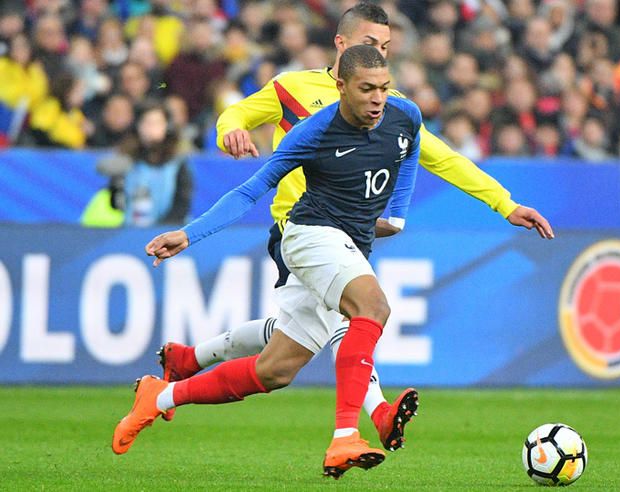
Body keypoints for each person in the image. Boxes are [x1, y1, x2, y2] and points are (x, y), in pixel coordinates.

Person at [156, 1, 553, 450]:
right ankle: (370, 418)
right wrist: (232, 130)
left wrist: (505, 204)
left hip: (348, 231)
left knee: (292, 345)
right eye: (369, 44)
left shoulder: (389, 107)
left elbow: (444, 159)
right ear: (341, 44)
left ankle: (186, 361)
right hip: (299, 227)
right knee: (356, 315)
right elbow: (237, 114)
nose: (380, 54)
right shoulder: (293, 88)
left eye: (385, 47)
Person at [113, 45, 425, 478]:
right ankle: (344, 438)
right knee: (372, 308)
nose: (378, 99)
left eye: (384, 88)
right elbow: (248, 191)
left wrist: (397, 215)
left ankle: (159, 397)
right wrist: (189, 233)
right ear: (340, 87)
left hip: (349, 243)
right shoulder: (314, 132)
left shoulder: (404, 115)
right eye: (366, 89)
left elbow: (409, 151)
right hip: (309, 233)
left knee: (275, 370)